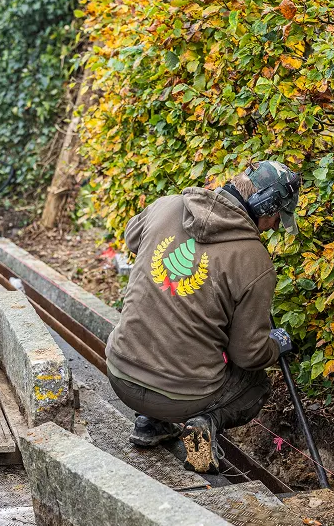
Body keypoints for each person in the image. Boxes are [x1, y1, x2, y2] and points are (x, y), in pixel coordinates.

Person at [105, 160, 301, 474]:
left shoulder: (166, 207)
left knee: (170, 328)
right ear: (266, 206)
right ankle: (204, 424)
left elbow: (132, 239)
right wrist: (275, 345)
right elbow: (247, 354)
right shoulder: (254, 261)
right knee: (256, 385)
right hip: (180, 398)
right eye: (278, 217)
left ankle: (151, 425)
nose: (275, 226)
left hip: (120, 373)